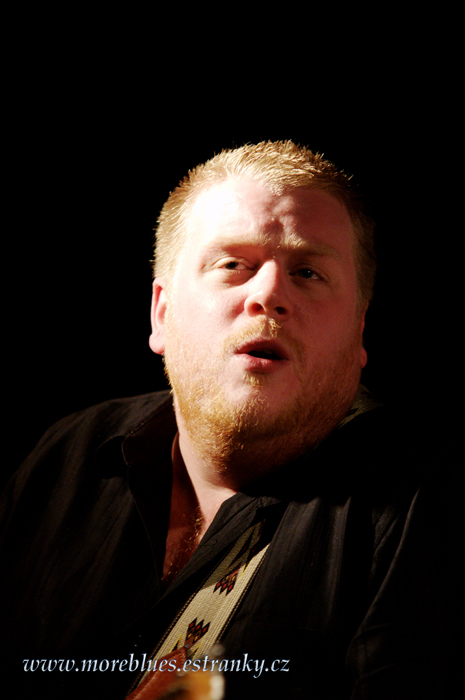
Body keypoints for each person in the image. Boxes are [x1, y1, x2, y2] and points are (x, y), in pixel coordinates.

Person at [0, 141, 461, 700]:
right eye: (232, 265)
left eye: (309, 272)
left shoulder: (425, 505)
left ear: (359, 331)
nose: (268, 293)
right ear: (161, 312)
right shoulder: (65, 456)